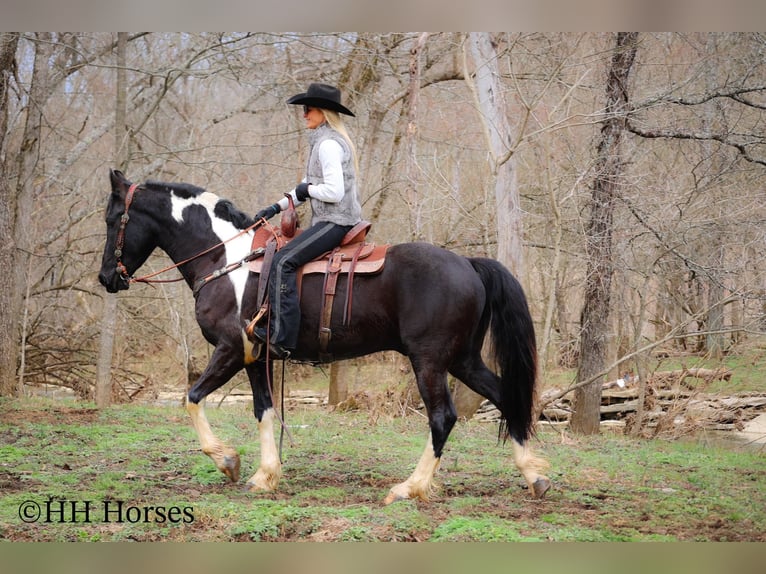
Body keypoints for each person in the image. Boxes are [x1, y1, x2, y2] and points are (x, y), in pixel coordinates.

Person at [251, 83, 363, 359]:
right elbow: (306, 185)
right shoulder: (323, 142)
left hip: (336, 221)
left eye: (308, 109)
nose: (304, 115)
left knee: (283, 261)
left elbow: (333, 192)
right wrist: (274, 208)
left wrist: (307, 191)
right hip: (330, 220)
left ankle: (284, 337)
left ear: (323, 112)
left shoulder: (327, 145)